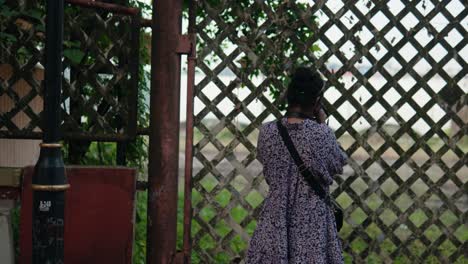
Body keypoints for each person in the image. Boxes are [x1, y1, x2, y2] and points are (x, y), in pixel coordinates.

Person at [246, 67, 347, 264]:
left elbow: (268, 168)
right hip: (313, 221)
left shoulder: (266, 132)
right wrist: (322, 124)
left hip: (275, 219)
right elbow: (337, 164)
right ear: (317, 100)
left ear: (289, 96)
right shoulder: (322, 134)